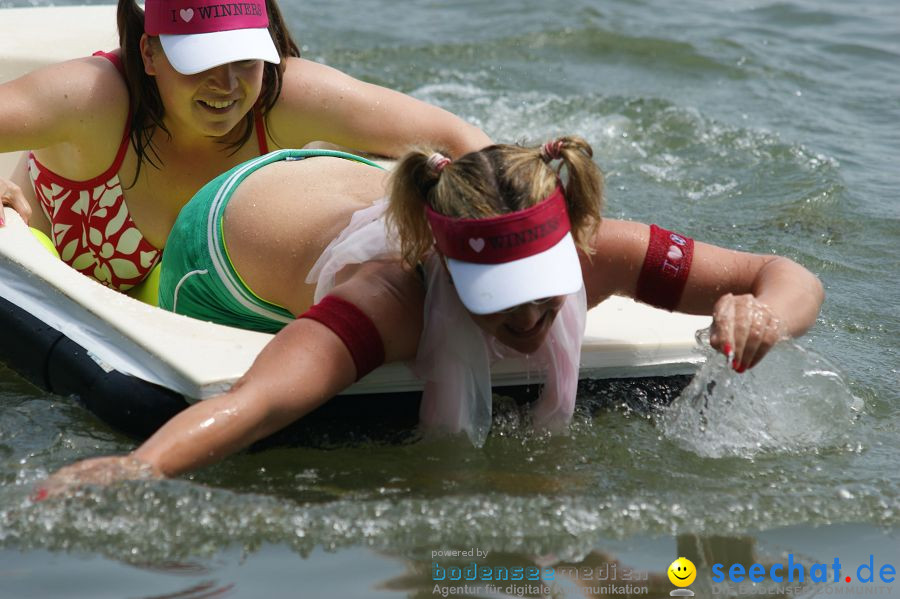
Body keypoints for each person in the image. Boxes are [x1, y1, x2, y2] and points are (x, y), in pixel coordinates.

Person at [37, 136, 824, 492]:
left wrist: (762, 313)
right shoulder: (390, 297)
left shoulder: (596, 247)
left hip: (358, 180)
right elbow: (257, 400)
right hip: (223, 234)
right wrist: (141, 467)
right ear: (446, 265)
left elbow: (783, 274)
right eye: (498, 296)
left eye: (538, 287)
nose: (527, 318)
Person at [0, 0, 490, 291]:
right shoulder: (92, 98)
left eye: (245, 60)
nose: (227, 85)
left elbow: (458, 139)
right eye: (202, 62)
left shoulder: (285, 97)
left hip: (187, 302)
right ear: (149, 53)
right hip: (55, 283)